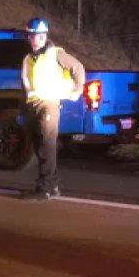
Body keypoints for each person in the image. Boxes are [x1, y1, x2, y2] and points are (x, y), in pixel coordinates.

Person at [20, 17, 85, 200]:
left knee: (47, 145)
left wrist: (77, 90)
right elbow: (24, 85)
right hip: (33, 104)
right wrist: (21, 111)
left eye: (40, 36)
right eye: (33, 36)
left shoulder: (56, 54)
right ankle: (52, 185)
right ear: (28, 37)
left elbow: (78, 68)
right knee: (40, 144)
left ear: (45, 36)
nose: (36, 40)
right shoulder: (27, 59)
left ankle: (45, 188)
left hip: (49, 104)